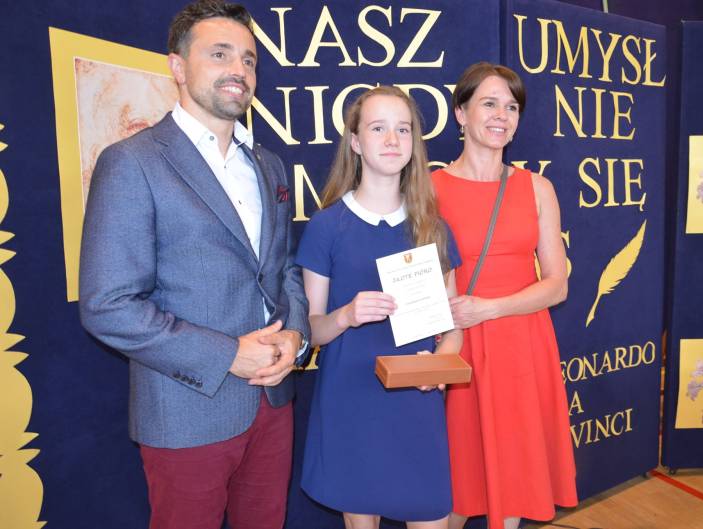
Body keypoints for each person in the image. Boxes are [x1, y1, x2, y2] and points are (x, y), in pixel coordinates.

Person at [78, 2, 309, 528]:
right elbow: (108, 305)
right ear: (178, 67)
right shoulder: (132, 162)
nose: (238, 70)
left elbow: (284, 270)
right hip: (186, 414)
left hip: (273, 406)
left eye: (248, 59)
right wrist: (228, 355)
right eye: (219, 54)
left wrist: (296, 337)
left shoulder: (269, 164)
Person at [296, 86, 462, 529]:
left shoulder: (433, 228)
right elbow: (311, 330)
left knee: (432, 514)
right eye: (378, 128)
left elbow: (453, 329)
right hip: (351, 401)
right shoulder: (327, 226)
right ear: (355, 142)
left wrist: (439, 367)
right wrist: (346, 315)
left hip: (416, 401)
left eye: (403, 129)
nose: (392, 140)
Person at [431, 62, 578, 529]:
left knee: (514, 473)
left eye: (511, 107)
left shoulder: (537, 188)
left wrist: (491, 308)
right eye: (489, 104)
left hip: (521, 345)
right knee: (455, 479)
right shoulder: (429, 189)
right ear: (461, 113)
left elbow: (557, 283)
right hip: (457, 345)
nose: (501, 116)